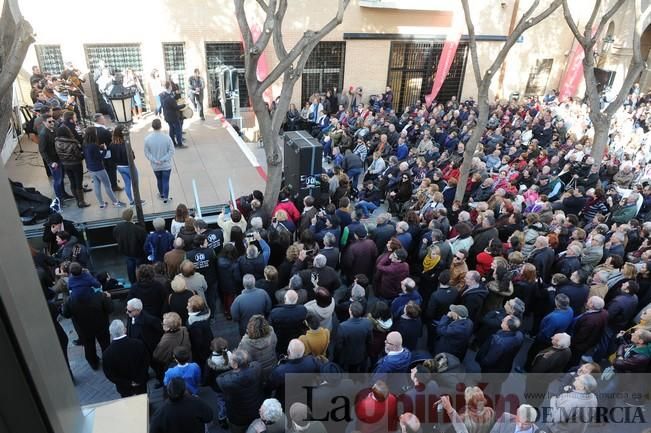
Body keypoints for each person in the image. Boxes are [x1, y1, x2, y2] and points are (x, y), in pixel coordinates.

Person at [61, 265, 112, 370]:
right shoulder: (99, 296)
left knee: (88, 346)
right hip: (101, 325)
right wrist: (108, 299)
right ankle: (109, 362)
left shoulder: (70, 300)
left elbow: (66, 314)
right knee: (105, 344)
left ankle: (93, 363)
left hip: (83, 328)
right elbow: (110, 309)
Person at [217, 350, 265, 433]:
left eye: (231, 359)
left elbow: (219, 378)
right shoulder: (257, 368)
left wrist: (232, 371)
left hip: (238, 418)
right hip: (256, 410)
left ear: (235, 365)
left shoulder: (227, 381)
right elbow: (254, 364)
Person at [102, 319, 150, 397]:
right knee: (143, 399)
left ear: (110, 333)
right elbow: (146, 361)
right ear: (125, 330)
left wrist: (128, 383)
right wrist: (140, 378)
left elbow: (110, 375)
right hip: (141, 382)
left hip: (124, 387)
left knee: (127, 402)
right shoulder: (138, 344)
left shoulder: (106, 354)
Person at [82, 126, 125, 208]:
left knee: (97, 185)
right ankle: (115, 202)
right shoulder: (93, 145)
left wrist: (99, 147)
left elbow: (90, 153)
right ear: (93, 134)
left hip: (90, 168)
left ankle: (102, 204)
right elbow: (101, 157)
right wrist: (104, 149)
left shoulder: (85, 143)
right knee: (107, 185)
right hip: (99, 168)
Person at [54, 125, 89, 208]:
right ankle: (81, 202)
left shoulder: (56, 142)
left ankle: (78, 201)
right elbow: (78, 155)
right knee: (78, 183)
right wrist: (84, 155)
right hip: (76, 164)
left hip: (65, 164)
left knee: (72, 182)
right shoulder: (73, 142)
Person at [109, 125, 143, 206]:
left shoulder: (111, 144)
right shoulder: (125, 144)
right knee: (135, 185)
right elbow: (132, 157)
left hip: (120, 167)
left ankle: (131, 201)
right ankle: (137, 200)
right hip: (129, 167)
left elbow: (111, 158)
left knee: (127, 184)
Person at [144, 118, 175, 203]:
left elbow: (147, 153)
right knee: (166, 181)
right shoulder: (167, 138)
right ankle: (166, 198)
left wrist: (154, 160)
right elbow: (172, 151)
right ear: (160, 126)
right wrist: (163, 159)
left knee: (159, 179)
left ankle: (161, 194)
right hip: (166, 165)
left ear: (152, 127)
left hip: (155, 165)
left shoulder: (147, 139)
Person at [335, 301, 372, 372]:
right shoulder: (368, 323)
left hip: (347, 356)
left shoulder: (343, 326)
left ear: (350, 311)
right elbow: (370, 341)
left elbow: (339, 346)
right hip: (361, 354)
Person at [113, 208, 148, 284]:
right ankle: (141, 281)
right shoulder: (138, 229)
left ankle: (132, 281)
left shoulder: (117, 228)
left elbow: (116, 238)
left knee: (130, 267)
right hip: (138, 253)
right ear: (132, 217)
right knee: (140, 268)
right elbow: (144, 242)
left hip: (126, 252)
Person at [237, 315, 278, 379]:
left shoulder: (245, 343)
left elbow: (241, 358)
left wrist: (246, 335)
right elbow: (275, 344)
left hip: (257, 372)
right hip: (273, 366)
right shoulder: (272, 333)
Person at [269, 289, 308, 356]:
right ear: (297, 299)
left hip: (280, 338)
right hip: (296, 337)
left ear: (285, 299)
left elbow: (270, 325)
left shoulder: (275, 312)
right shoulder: (303, 310)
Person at [186, 295, 213, 373]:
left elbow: (197, 342)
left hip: (201, 350)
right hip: (208, 341)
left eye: (188, 306)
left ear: (194, 309)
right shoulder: (205, 314)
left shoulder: (194, 324)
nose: (186, 307)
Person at [160, 80, 185, 147]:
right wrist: (184, 105)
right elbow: (176, 107)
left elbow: (162, 105)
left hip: (167, 115)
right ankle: (180, 143)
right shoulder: (169, 97)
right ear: (169, 87)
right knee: (178, 129)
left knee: (171, 129)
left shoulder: (162, 95)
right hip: (173, 116)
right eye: (171, 85)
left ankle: (173, 143)